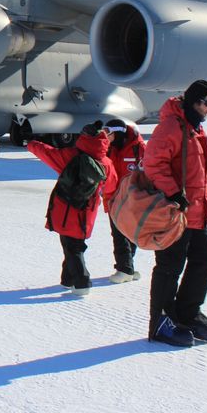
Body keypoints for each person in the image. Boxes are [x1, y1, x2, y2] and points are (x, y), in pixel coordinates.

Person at [144, 79, 207, 347]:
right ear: (194, 101)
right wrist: (174, 193)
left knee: (205, 259)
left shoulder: (195, 129)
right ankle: (161, 321)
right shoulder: (171, 127)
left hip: (196, 213)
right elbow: (153, 163)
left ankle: (185, 313)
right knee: (169, 267)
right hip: (174, 212)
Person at [28, 121, 118, 296]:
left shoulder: (71, 155)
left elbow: (48, 153)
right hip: (87, 210)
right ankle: (67, 280)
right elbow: (111, 186)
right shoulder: (106, 162)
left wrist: (31, 143)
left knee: (72, 247)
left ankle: (82, 283)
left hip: (66, 207)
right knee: (74, 244)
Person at [103, 118, 147, 283]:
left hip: (133, 199)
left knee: (129, 234)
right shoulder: (108, 148)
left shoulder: (139, 148)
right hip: (114, 197)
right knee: (118, 233)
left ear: (118, 133)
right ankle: (127, 267)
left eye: (109, 133)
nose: (106, 136)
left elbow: (150, 170)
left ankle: (125, 269)